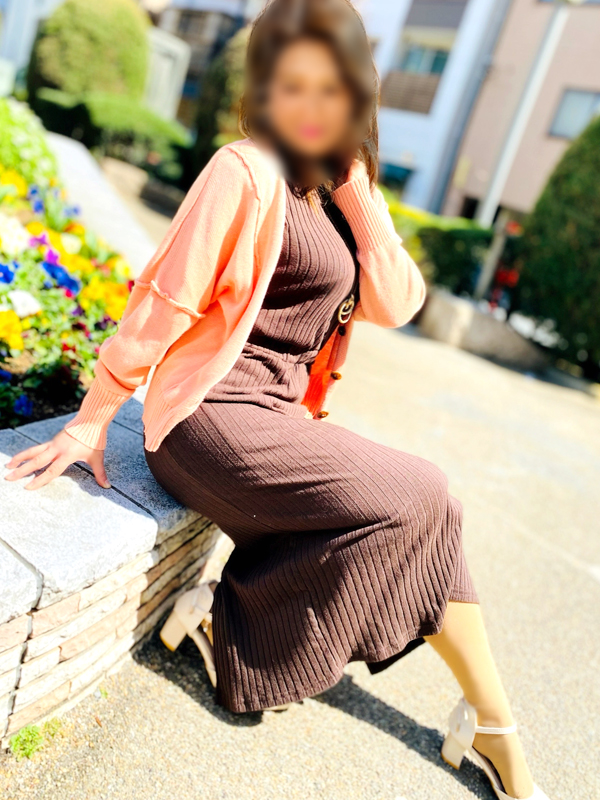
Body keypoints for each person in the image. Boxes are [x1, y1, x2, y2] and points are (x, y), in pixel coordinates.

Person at [5, 2, 547, 797]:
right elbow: (166, 297)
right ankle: (233, 624)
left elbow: (399, 301)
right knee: (422, 491)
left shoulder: (336, 189)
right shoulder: (244, 170)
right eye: (292, 81)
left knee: (438, 515)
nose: (311, 102)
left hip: (276, 420)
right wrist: (92, 419)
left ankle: (494, 725)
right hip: (207, 420)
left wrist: (357, 189)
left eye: (331, 83)